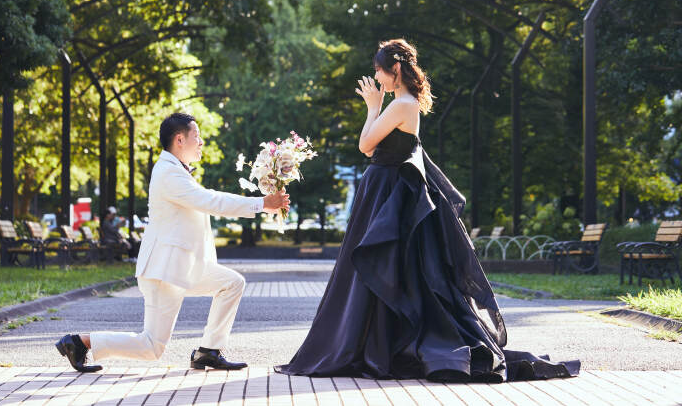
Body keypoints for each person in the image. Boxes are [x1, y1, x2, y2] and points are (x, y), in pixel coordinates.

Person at [276, 39, 579, 382]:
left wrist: (372, 107)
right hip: (383, 192)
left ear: (395, 71)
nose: (375, 76)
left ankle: (378, 345)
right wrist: (377, 106)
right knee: (382, 265)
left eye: (379, 69)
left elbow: (365, 146)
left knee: (383, 263)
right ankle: (373, 342)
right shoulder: (402, 103)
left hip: (386, 192)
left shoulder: (402, 104)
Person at [56, 112, 290, 372]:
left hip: (184, 267)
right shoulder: (168, 172)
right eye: (197, 136)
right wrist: (262, 204)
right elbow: (210, 201)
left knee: (232, 283)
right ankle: (80, 342)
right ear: (180, 139)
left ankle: (208, 351)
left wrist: (265, 204)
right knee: (151, 348)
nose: (201, 142)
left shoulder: (176, 170)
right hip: (164, 271)